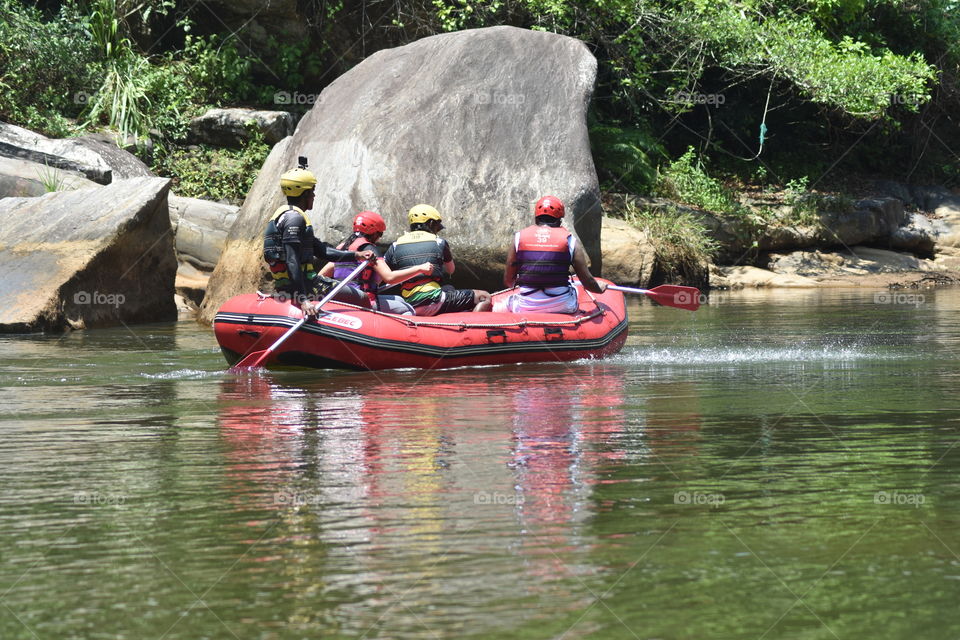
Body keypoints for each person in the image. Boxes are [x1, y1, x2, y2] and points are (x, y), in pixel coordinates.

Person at [262, 159, 374, 315]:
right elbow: (291, 260)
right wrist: (303, 300)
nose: (314, 195)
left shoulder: (282, 216)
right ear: (305, 193)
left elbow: (323, 252)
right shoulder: (295, 219)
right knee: (361, 298)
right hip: (308, 286)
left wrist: (357, 255)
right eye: (312, 191)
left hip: (286, 286)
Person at [497, 195, 606, 314]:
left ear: (536, 219)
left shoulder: (518, 238)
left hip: (526, 306)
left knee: (500, 306)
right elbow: (588, 282)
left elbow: (508, 281)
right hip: (562, 306)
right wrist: (599, 289)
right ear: (559, 220)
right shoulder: (570, 240)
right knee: (574, 288)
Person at [319, 211, 434, 315]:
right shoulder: (369, 249)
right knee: (407, 308)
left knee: (398, 299)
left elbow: (321, 275)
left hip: (340, 298)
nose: (379, 238)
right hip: (362, 300)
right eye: (380, 234)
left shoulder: (342, 247)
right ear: (373, 232)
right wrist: (419, 268)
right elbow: (390, 278)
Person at [384, 204, 492, 315]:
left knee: (449, 288)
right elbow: (451, 270)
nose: (437, 230)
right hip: (432, 301)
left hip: (410, 304)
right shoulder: (439, 242)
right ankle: (471, 328)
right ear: (431, 223)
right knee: (484, 297)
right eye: (437, 226)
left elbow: (383, 273)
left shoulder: (395, 245)